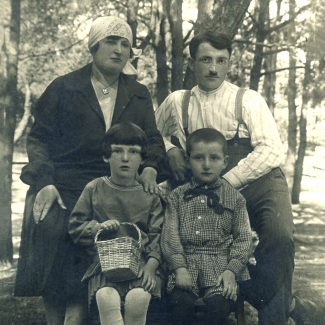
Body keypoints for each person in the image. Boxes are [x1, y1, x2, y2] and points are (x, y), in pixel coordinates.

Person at [155, 31, 318, 325]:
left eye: (221, 60)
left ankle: (273, 316)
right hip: (204, 184)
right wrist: (169, 150)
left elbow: (271, 150)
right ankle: (288, 304)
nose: (213, 68)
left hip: (258, 181)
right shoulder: (177, 102)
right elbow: (153, 135)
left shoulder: (248, 100)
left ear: (229, 63)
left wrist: (227, 182)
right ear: (193, 63)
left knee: (279, 237)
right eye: (205, 60)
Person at [14, 16, 167, 325]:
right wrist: (44, 181)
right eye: (111, 41)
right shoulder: (65, 87)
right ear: (94, 46)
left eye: (125, 44)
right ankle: (58, 317)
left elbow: (152, 141)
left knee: (131, 229)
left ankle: (99, 311)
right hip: (67, 181)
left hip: (117, 183)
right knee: (55, 223)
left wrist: (150, 168)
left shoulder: (138, 92)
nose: (119, 49)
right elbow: (39, 138)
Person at [68, 122, 164, 325]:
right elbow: (75, 226)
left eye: (134, 152)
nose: (126, 158)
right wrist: (98, 227)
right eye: (117, 151)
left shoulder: (149, 195)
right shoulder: (95, 188)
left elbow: (158, 235)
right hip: (103, 266)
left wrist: (151, 266)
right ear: (106, 156)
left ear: (143, 159)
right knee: (106, 296)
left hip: (142, 265)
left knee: (138, 297)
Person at [161, 128, 252, 325]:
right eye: (199, 158)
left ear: (225, 162)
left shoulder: (235, 198)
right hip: (186, 265)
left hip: (221, 267)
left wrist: (231, 271)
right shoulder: (177, 196)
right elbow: (170, 237)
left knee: (218, 308)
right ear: (188, 160)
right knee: (180, 305)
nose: (207, 165)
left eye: (214, 158)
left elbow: (244, 238)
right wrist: (179, 268)